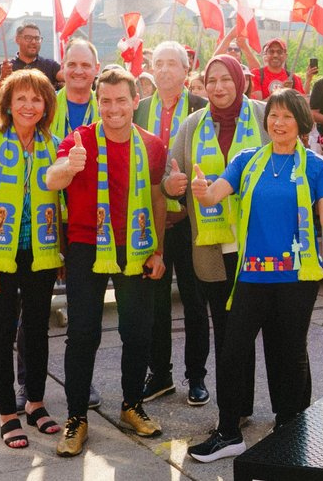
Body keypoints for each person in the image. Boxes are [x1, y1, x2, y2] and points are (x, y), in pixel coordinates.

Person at [186, 88, 323, 463]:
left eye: (287, 116)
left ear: (301, 123)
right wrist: (201, 191)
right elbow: (213, 197)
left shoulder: (315, 166)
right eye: (273, 115)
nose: (278, 122)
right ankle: (228, 432)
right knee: (233, 352)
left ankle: (290, 428)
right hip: (252, 278)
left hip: (297, 278)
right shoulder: (247, 161)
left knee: (288, 355)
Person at [46, 68, 168, 457]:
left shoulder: (152, 145)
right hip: (86, 246)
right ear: (97, 103)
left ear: (136, 101)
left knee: (137, 331)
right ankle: (77, 418)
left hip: (135, 246)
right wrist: (69, 167)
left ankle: (132, 405)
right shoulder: (78, 140)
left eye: (121, 100)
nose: (113, 108)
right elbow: (52, 179)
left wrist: (159, 251)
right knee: (83, 334)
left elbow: (158, 199)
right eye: (106, 101)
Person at [162, 55, 266, 431]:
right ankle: (233, 409)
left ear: (240, 80)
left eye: (226, 79)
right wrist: (171, 186)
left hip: (260, 245)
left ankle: (267, 408)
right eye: (212, 81)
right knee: (225, 330)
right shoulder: (193, 125)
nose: (219, 87)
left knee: (261, 330)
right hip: (212, 246)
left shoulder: (264, 115)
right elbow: (170, 176)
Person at [0, 69, 64, 449]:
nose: (28, 105)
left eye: (36, 99)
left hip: (40, 253)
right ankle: (8, 413)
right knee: (3, 331)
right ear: (7, 102)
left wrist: (59, 252)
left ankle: (36, 404)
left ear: (45, 106)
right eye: (21, 98)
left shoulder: (53, 145)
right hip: (0, 254)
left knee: (38, 329)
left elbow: (60, 202)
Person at [135, 41, 211, 408]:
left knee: (195, 301)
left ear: (186, 71)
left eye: (172, 64)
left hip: (192, 220)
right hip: (152, 221)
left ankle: (196, 376)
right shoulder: (140, 107)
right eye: (158, 63)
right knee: (155, 301)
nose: (164, 70)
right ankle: (159, 374)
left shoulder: (201, 108)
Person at [0, 22, 63, 93]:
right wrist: (3, 77)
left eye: (37, 38)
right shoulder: (5, 69)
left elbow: (69, 79)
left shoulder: (50, 66)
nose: (33, 42)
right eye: (28, 38)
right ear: (17, 39)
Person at [51, 39, 100, 138]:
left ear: (97, 69)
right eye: (72, 64)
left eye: (85, 65)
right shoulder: (46, 105)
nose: (78, 71)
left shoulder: (107, 108)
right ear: (63, 67)